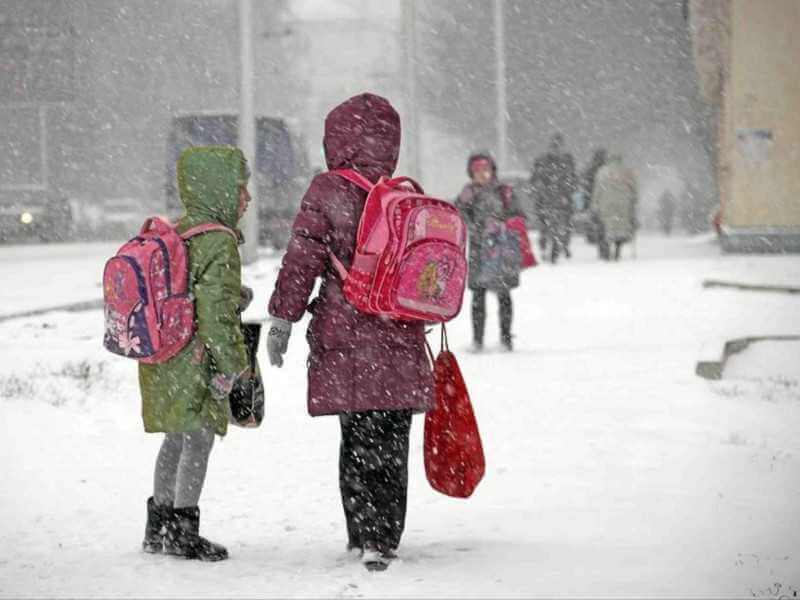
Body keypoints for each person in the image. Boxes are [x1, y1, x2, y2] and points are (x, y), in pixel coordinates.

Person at [265, 93, 434, 572]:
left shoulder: (327, 190)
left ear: (334, 139)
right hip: (399, 334)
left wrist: (283, 317)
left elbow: (303, 259)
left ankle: (362, 534)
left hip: (345, 335)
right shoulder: (404, 193)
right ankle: (386, 536)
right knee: (393, 440)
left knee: (357, 438)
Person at [139, 145, 253, 562]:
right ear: (221, 190)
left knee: (175, 437)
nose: (248, 198)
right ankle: (185, 531)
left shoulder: (180, 231)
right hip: (197, 358)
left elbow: (188, 289)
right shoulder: (219, 242)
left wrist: (232, 293)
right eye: (242, 189)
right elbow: (216, 316)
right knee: (199, 440)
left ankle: (159, 527)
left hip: (165, 354)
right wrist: (236, 365)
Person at [456, 152, 525, 352]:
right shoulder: (468, 193)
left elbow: (518, 215)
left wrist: (503, 226)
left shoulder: (504, 191)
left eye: (485, 169)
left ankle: (506, 338)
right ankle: (478, 340)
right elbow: (460, 213)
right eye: (477, 171)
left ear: (492, 170)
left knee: (503, 294)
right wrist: (476, 229)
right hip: (479, 249)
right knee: (478, 294)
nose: (482, 174)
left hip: (502, 250)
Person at [530, 133, 577, 263]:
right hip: (551, 201)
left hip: (557, 201)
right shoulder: (550, 162)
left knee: (555, 227)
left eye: (557, 146)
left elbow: (572, 180)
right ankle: (549, 248)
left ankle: (554, 250)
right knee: (549, 228)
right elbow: (535, 180)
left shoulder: (565, 161)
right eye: (554, 146)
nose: (556, 149)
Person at [593, 153, 638, 261]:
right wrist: (634, 200)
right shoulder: (627, 171)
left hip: (606, 203)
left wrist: (595, 203)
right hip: (624, 203)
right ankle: (618, 249)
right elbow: (634, 189)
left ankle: (607, 249)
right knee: (621, 228)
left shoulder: (603, 171)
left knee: (608, 227)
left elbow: (598, 189)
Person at [581, 147, 608, 254]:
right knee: (603, 223)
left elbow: (585, 183)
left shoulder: (591, 168)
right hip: (604, 199)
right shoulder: (606, 168)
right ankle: (602, 243)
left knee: (596, 222)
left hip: (592, 199)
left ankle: (596, 239)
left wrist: (586, 202)